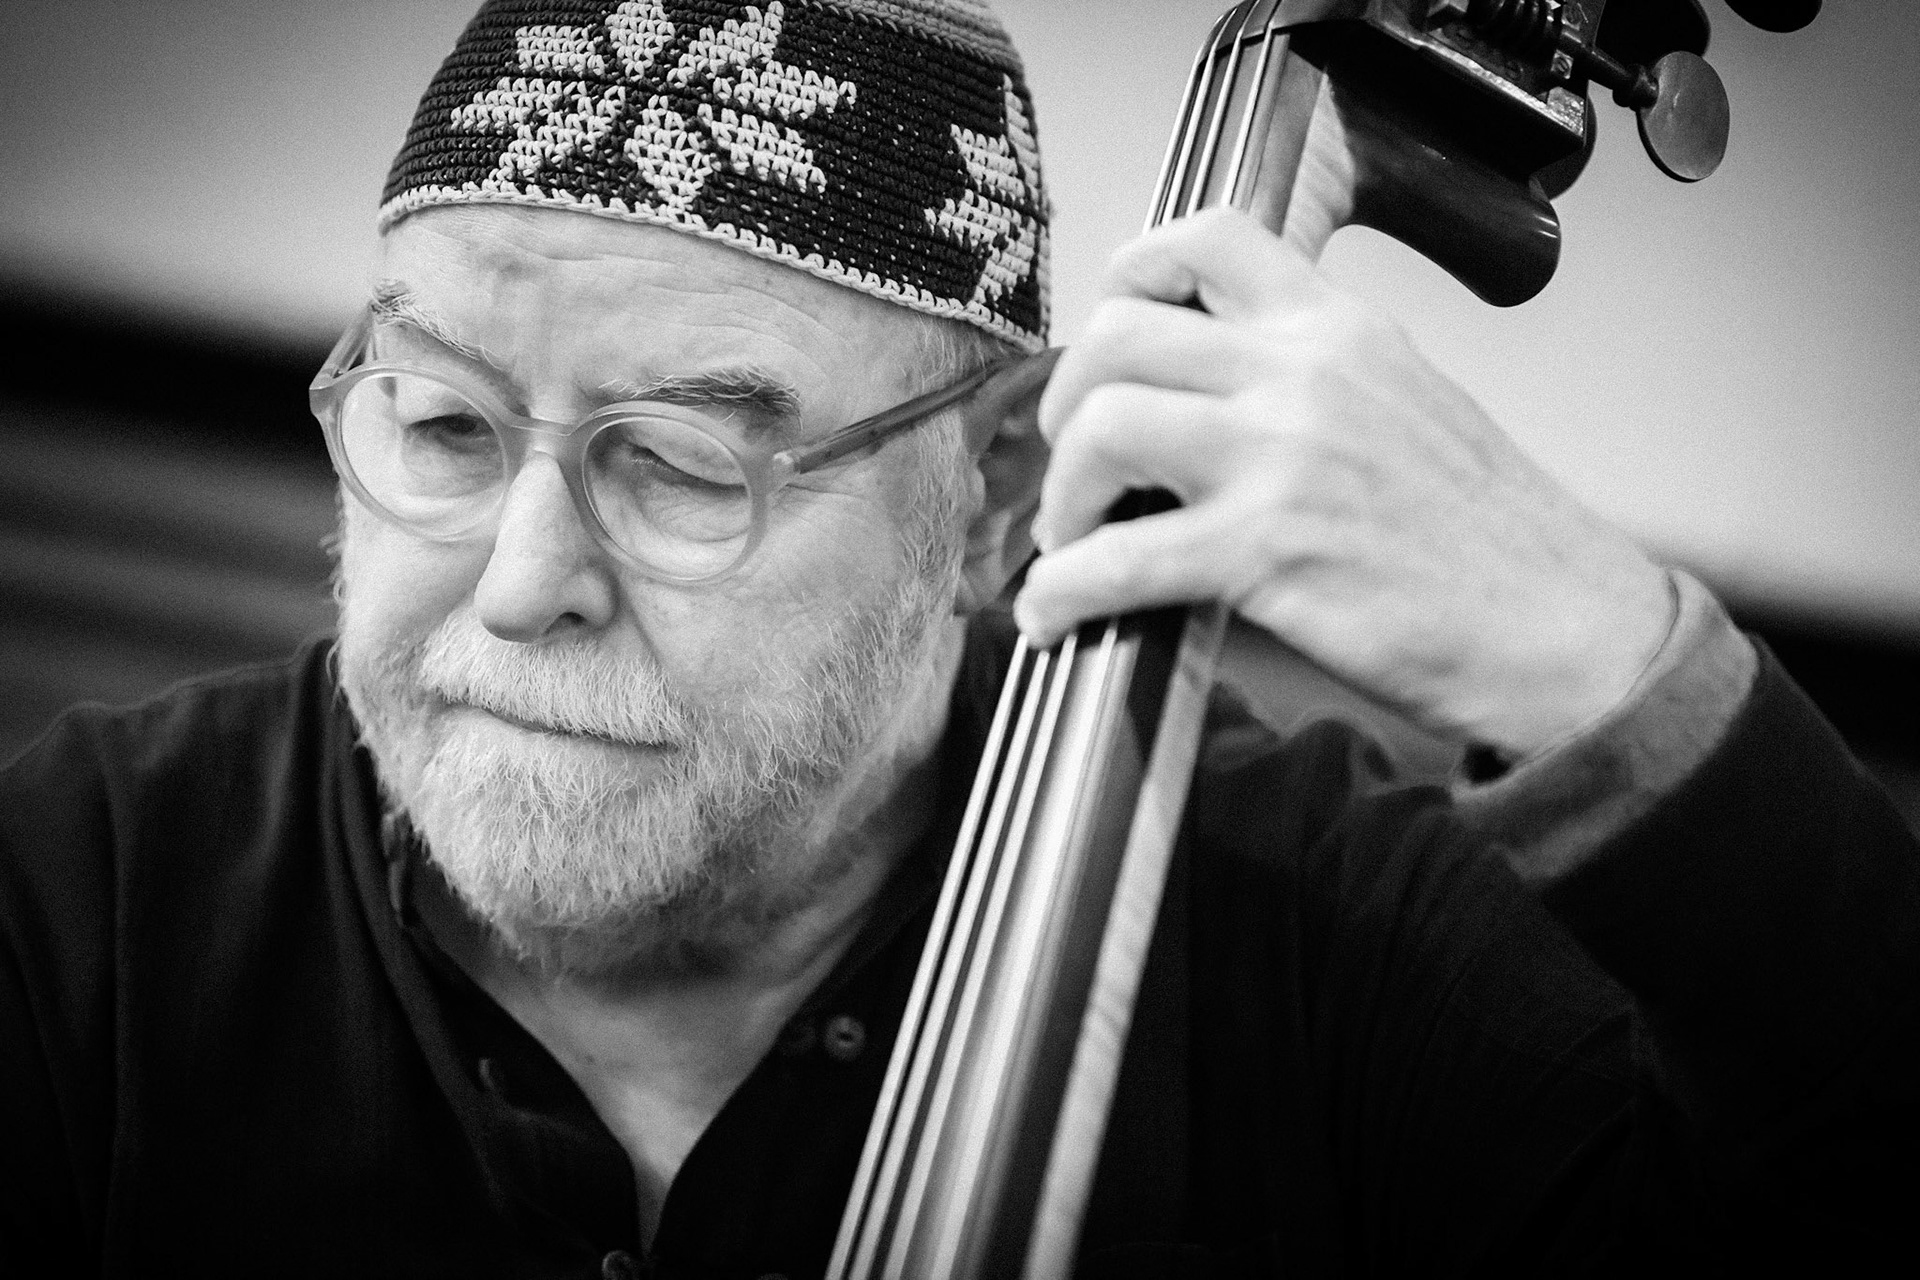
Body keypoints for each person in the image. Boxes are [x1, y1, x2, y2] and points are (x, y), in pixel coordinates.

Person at [2, 1, 1913, 1275]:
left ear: (997, 491)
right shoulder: (79, 896)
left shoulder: (1331, 945)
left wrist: (1607, 663)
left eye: (674, 468)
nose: (519, 581)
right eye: (437, 426)